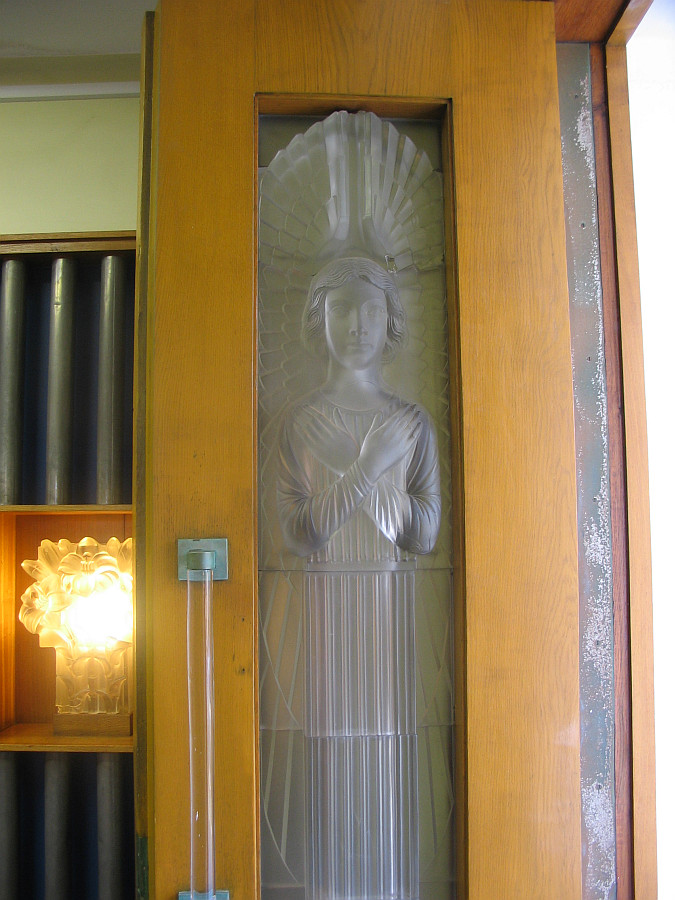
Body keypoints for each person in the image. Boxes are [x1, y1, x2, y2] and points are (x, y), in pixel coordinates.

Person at [276, 256, 441, 900]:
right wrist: (364, 467)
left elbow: (422, 535)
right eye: (342, 308)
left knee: (387, 757)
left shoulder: (412, 423)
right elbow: (298, 534)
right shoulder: (301, 422)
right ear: (318, 318)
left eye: (372, 310)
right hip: (322, 612)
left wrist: (358, 467)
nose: (357, 325)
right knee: (328, 760)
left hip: (390, 611)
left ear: (391, 320)